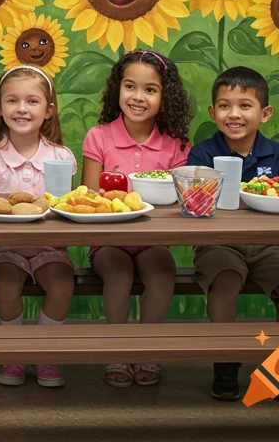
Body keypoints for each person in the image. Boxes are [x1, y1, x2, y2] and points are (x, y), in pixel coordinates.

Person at [188, 65, 279, 401]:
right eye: (224, 105)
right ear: (213, 112)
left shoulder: (277, 154)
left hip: (267, 246)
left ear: (264, 113)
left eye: (245, 105)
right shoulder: (202, 153)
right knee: (226, 280)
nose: (233, 114)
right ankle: (224, 365)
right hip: (218, 244)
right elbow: (194, 203)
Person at [81, 49, 192, 389]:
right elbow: (88, 195)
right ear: (118, 89)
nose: (138, 97)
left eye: (150, 89)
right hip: (108, 240)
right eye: (130, 86)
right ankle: (117, 348)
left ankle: (147, 348)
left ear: (165, 97)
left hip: (154, 238)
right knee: (118, 274)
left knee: (162, 273)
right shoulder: (99, 136)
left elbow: (179, 199)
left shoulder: (175, 144)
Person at [0, 65, 76, 389]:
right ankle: (14, 352)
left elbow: (64, 209)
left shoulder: (62, 157)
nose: (21, 108)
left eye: (32, 101)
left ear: (48, 111)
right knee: (5, 285)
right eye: (12, 101)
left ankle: (44, 352)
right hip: (3, 249)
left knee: (61, 285)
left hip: (50, 248)